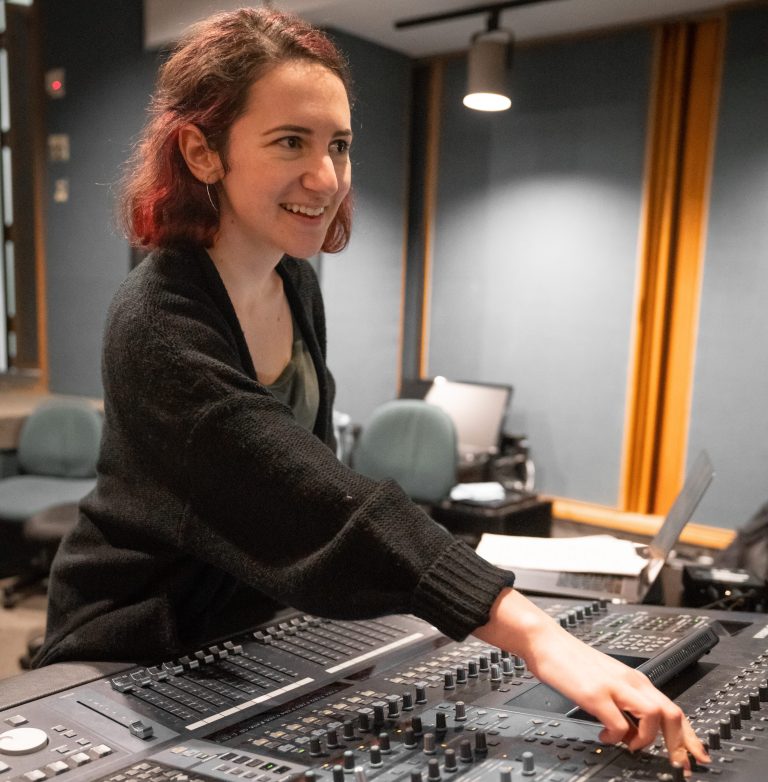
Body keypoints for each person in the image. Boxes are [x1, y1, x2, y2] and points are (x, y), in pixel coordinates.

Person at [34, 7, 708, 770]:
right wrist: (534, 634)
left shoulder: (296, 285)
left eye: (340, 145)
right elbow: (302, 491)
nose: (327, 178)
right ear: (201, 152)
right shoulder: (157, 321)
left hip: (253, 627)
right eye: (291, 142)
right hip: (136, 643)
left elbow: (316, 476)